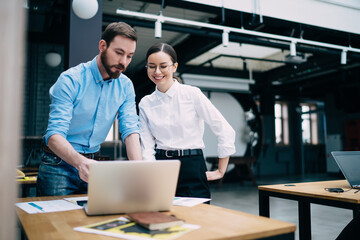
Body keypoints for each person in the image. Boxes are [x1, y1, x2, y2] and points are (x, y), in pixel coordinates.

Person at [37, 22, 142, 196]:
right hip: (58, 165)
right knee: (55, 223)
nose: (123, 62)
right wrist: (80, 163)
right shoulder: (71, 80)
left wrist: (140, 170)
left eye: (129, 56)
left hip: (95, 165)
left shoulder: (125, 86)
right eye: (119, 53)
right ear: (102, 46)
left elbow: (130, 130)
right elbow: (54, 136)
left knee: (95, 221)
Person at [139, 42, 236, 199]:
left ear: (174, 67)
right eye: (152, 66)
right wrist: (151, 173)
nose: (157, 71)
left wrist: (220, 171)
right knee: (163, 219)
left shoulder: (192, 94)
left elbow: (224, 129)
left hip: (191, 165)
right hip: (161, 166)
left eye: (163, 66)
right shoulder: (145, 103)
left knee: (197, 219)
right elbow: (147, 146)